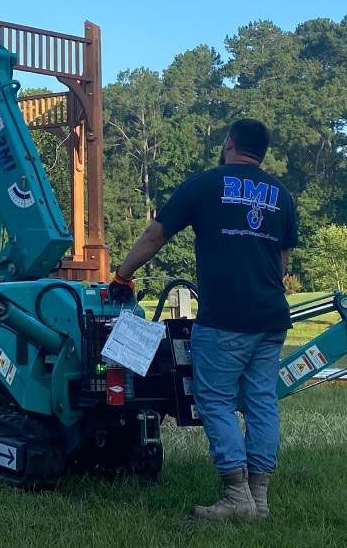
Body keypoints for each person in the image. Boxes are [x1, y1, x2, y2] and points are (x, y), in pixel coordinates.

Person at [110, 119, 299, 522]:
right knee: (261, 401)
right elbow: (282, 261)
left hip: (224, 319)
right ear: (261, 152)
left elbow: (154, 237)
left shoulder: (206, 184)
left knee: (214, 400)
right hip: (270, 319)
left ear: (229, 143)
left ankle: (235, 496)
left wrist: (122, 275)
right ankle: (259, 499)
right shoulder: (281, 195)